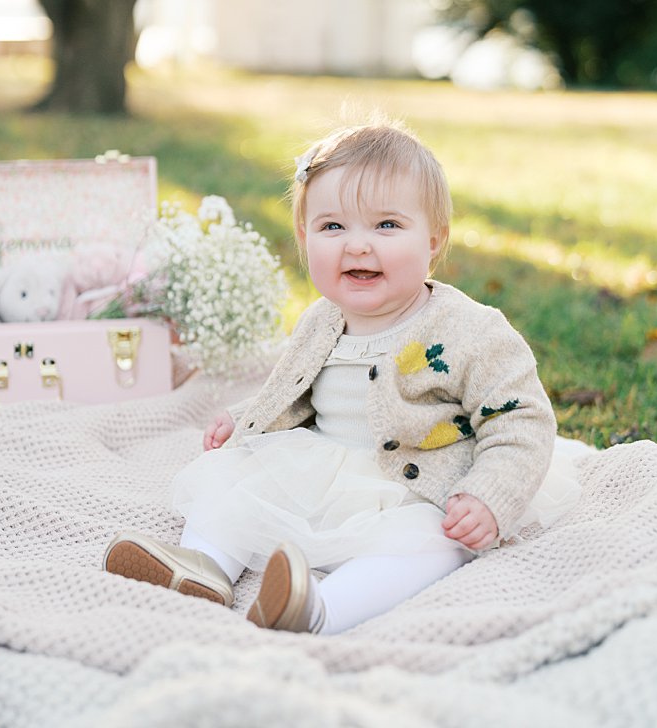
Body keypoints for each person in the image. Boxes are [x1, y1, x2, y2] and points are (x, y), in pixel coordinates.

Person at [104, 119, 578, 634]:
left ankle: (320, 610)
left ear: (435, 239)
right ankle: (203, 565)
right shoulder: (320, 320)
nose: (356, 246)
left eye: (387, 226)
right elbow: (295, 394)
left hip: (420, 487)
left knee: (432, 544)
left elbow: (522, 419)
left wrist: (489, 494)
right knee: (234, 486)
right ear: (305, 238)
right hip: (323, 472)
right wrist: (245, 422)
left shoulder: (471, 330)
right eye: (333, 227)